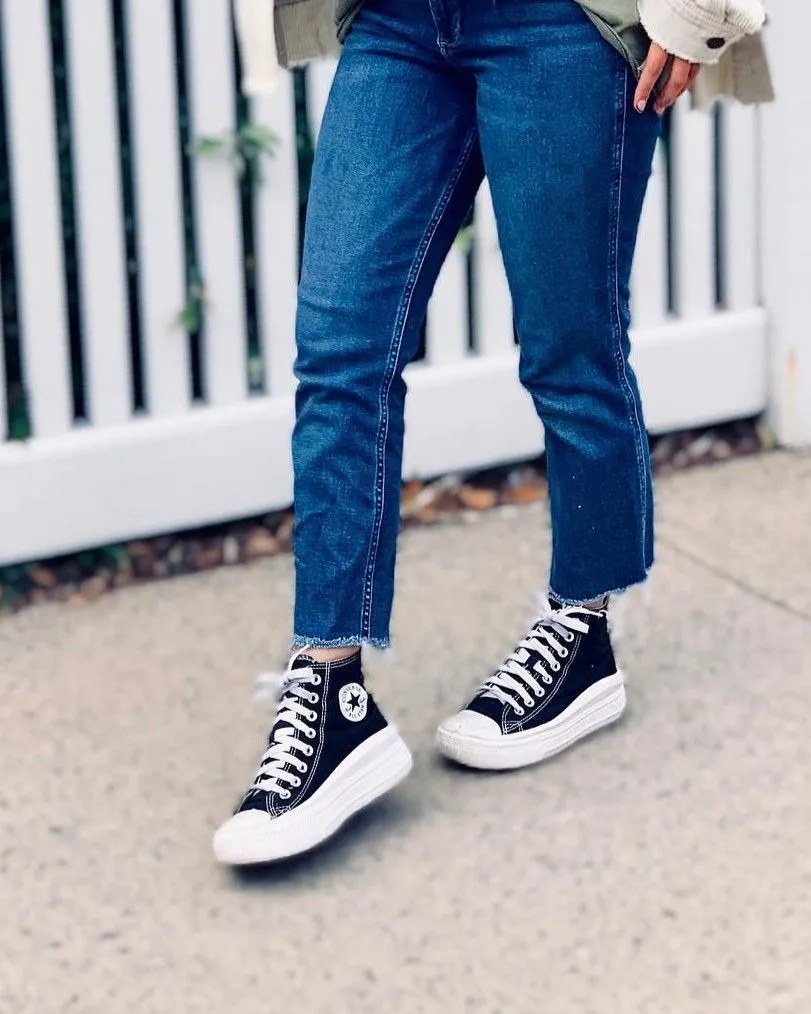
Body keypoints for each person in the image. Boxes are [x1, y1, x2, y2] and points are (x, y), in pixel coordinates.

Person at [214, 0, 769, 865]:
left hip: (563, 23)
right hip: (399, 22)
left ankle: (581, 631)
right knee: (338, 352)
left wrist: (696, 10)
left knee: (570, 351)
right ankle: (329, 688)